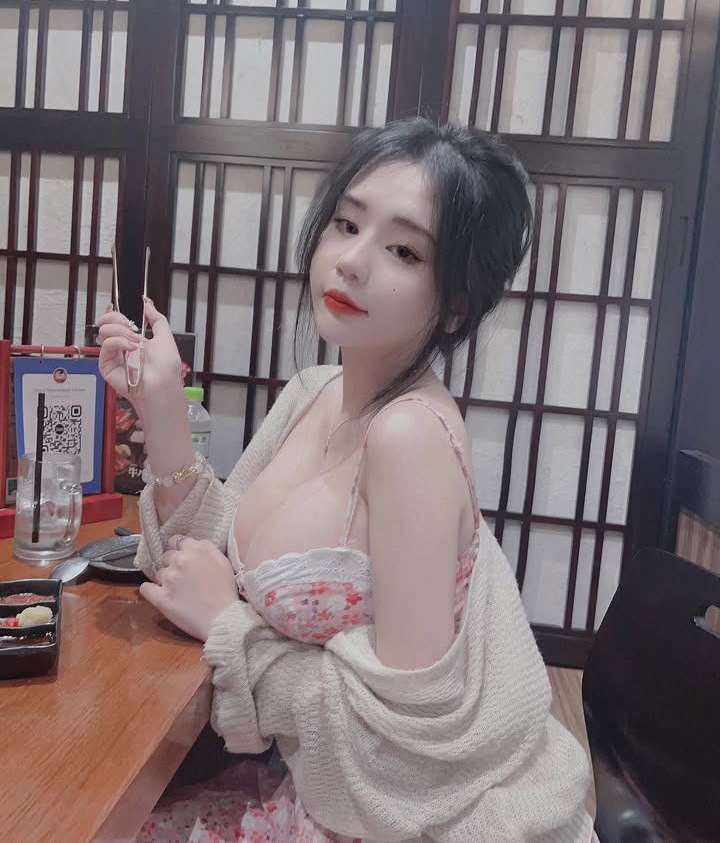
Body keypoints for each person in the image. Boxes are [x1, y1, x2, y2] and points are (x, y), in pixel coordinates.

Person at [98, 118, 594, 842]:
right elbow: (212, 560)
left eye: (404, 250)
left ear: (455, 304)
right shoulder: (315, 391)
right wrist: (163, 406)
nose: (352, 261)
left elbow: (404, 750)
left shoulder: (409, 439)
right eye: (347, 223)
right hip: (312, 786)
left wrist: (231, 626)